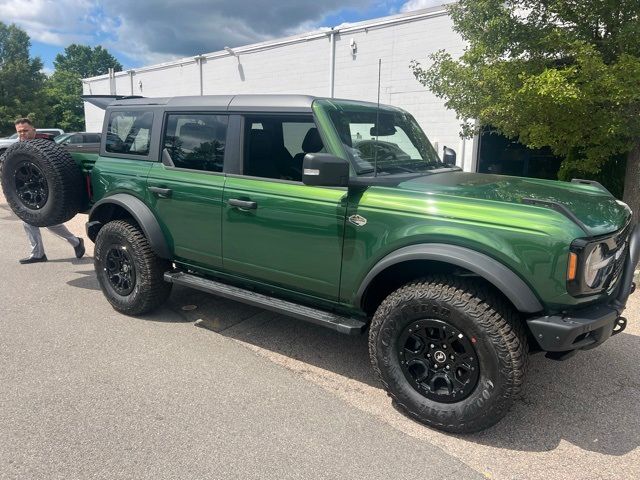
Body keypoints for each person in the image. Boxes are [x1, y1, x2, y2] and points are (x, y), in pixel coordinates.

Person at [13, 118, 85, 264]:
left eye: (25, 130)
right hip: (32, 192)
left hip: (50, 191)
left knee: (52, 223)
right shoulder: (19, 148)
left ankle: (76, 242)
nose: (23, 134)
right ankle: (38, 254)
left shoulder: (47, 146)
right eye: (19, 131)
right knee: (29, 221)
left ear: (34, 130)